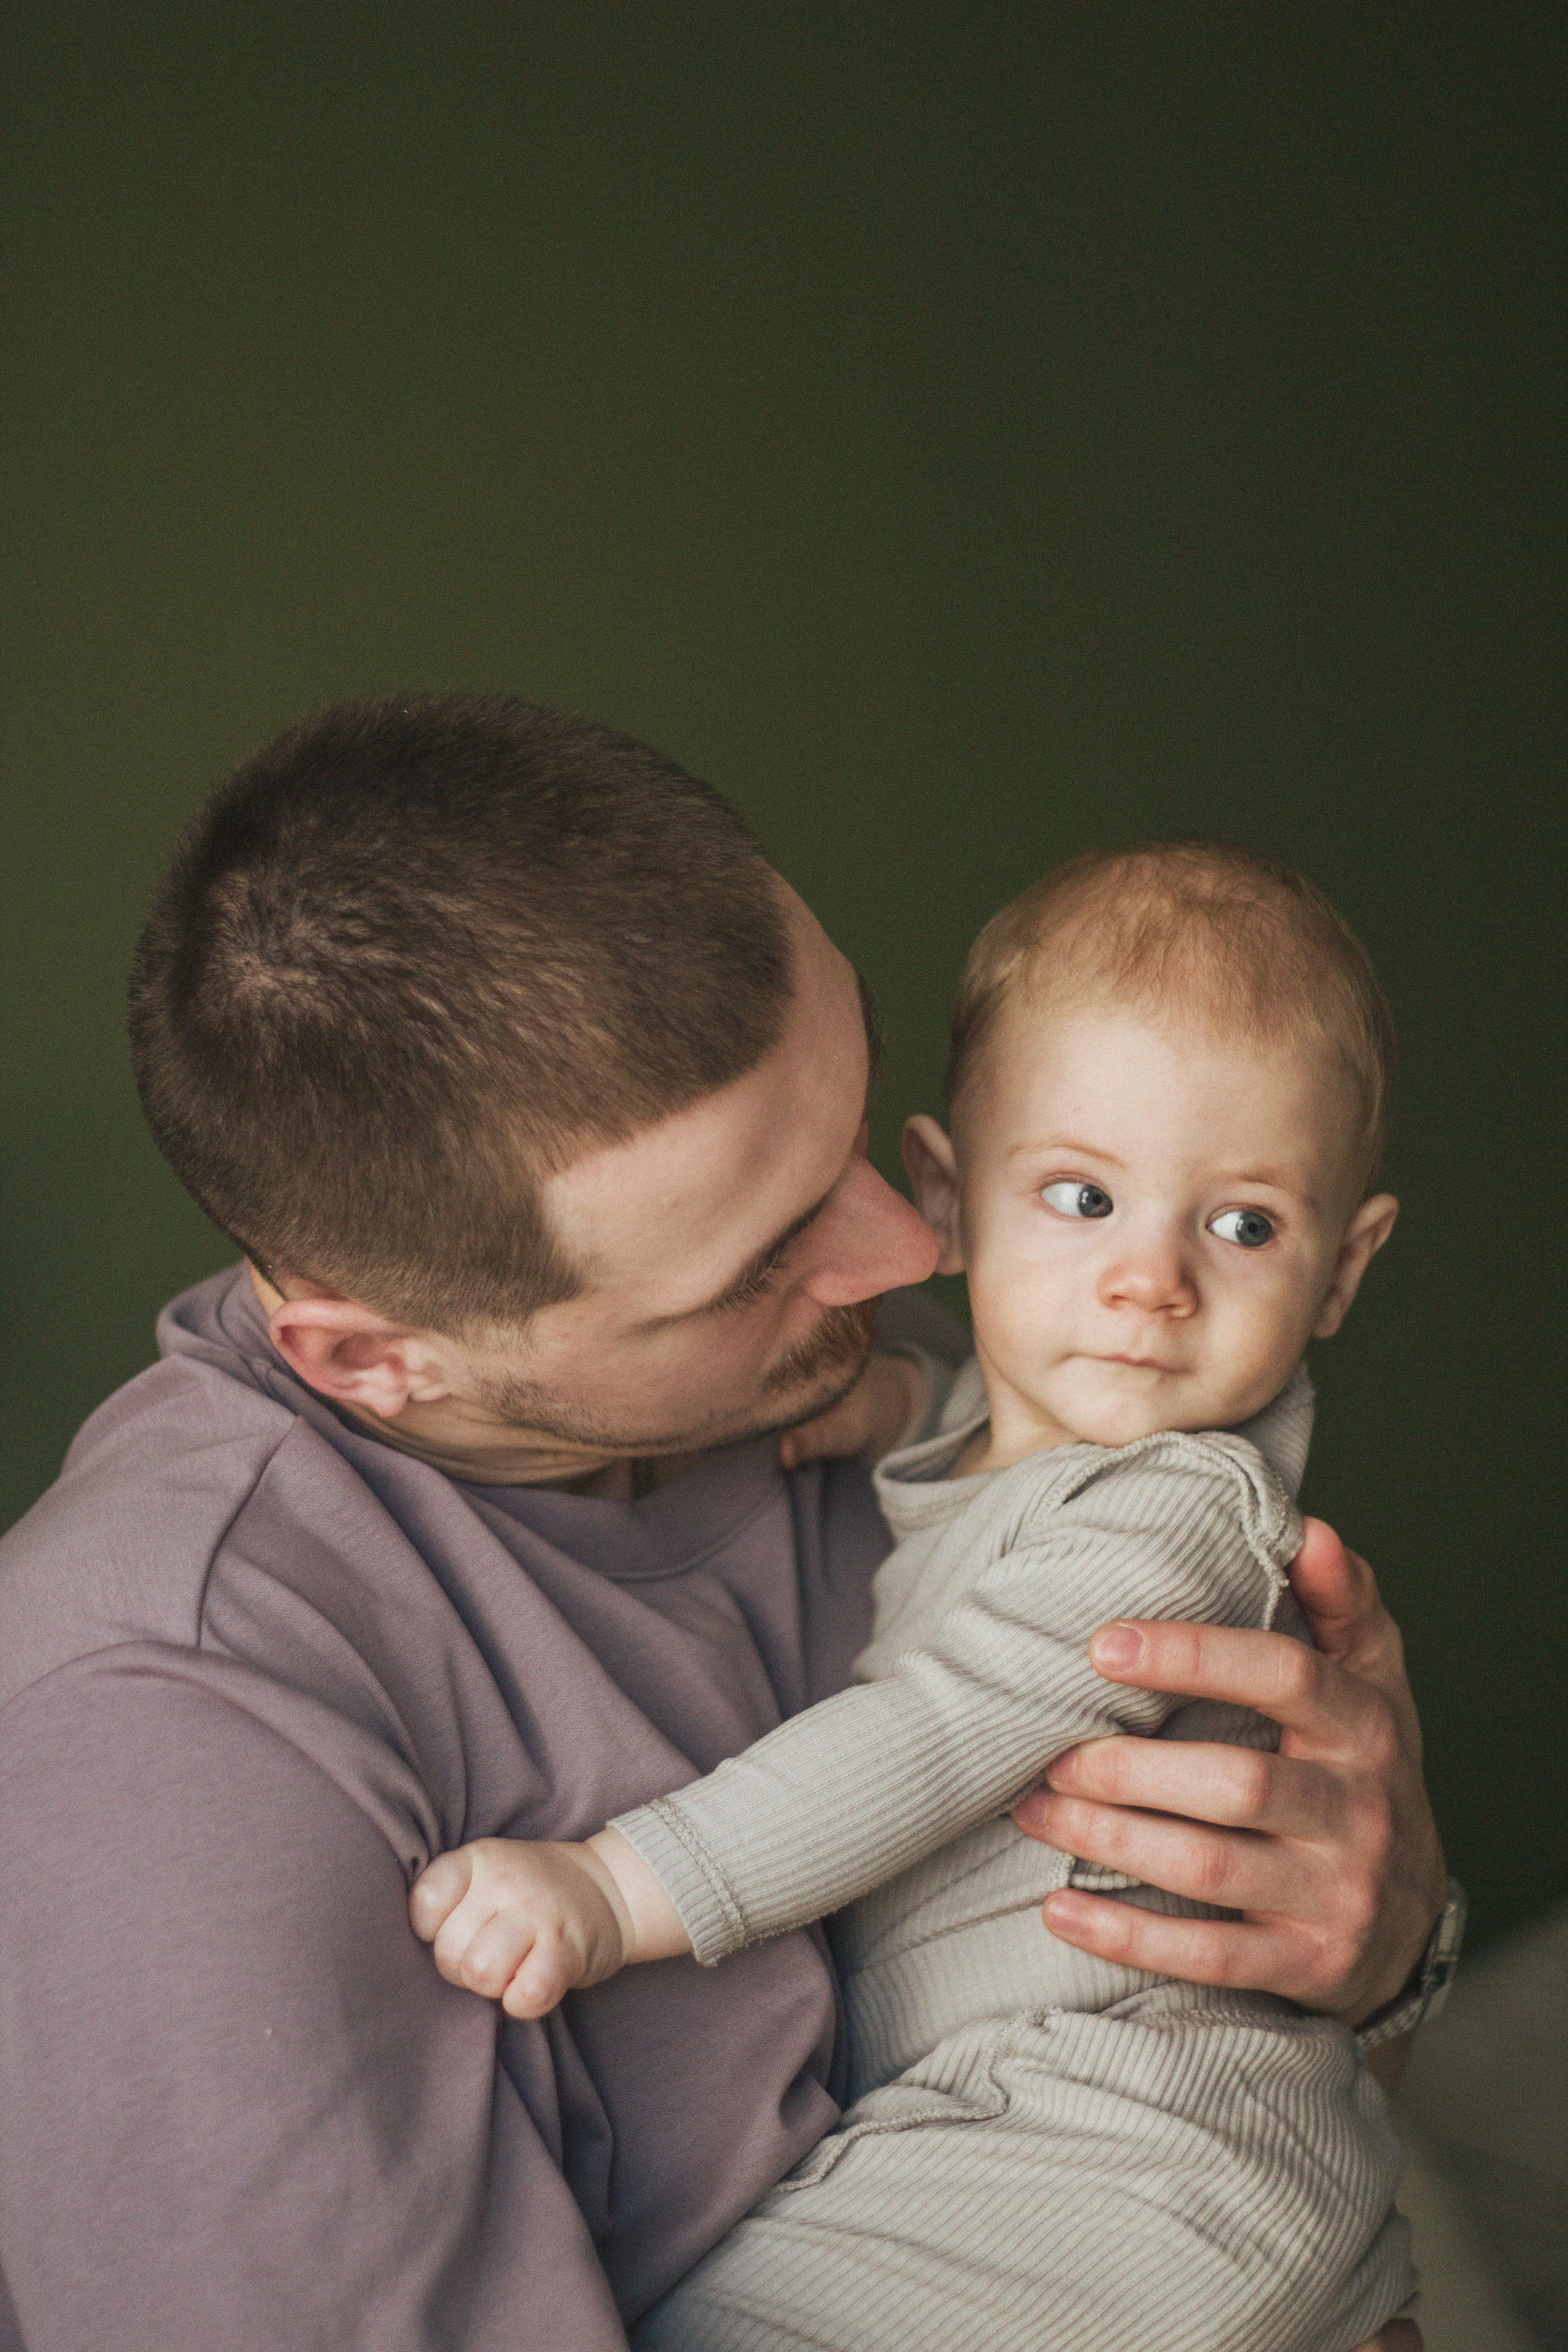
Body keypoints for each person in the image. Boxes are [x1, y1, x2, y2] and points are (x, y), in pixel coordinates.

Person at [0, 699, 1450, 2352]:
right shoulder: (169, 1737)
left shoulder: (920, 1390)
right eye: (762, 1259)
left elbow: (1260, 2097)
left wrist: (1387, 1946)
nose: (909, 1255)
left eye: (853, 1123)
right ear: (377, 1360)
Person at [408, 842, 1425, 2350]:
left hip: (1118, 2143)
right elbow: (990, 1445)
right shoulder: (1012, 1440)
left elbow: (934, 1736)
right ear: (947, 1197)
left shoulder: (1180, 1518)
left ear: (1339, 1272)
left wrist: (618, 1890)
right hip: (1094, 2137)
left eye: (1241, 1226)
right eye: (1081, 1196)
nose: (1150, 1281)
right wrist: (894, 1408)